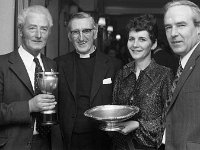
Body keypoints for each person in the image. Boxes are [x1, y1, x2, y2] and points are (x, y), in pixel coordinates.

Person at [54, 12, 122, 150]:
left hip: (103, 140)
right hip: (69, 140)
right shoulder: (58, 64)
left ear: (95, 33)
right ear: (69, 36)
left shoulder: (114, 65)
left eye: (86, 31)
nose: (81, 37)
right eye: (75, 32)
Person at [111, 14, 173, 150]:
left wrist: (137, 124)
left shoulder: (164, 75)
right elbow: (115, 109)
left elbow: (170, 119)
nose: (135, 45)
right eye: (131, 39)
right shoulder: (122, 72)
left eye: (142, 39)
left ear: (154, 44)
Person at [0, 5, 58, 150]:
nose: (38, 34)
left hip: (46, 144)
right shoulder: (2, 64)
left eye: (44, 29)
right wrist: (29, 106)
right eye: (32, 28)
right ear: (20, 31)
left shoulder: (52, 65)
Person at [163, 0, 200, 150]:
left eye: (181, 25)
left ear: (199, 28)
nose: (173, 33)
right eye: (168, 27)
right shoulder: (181, 64)